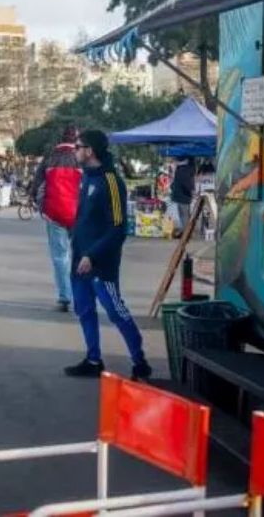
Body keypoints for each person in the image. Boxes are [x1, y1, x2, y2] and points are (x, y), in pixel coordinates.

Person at [67, 130, 152, 380]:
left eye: (78, 147)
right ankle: (93, 359)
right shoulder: (86, 179)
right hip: (78, 259)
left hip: (100, 264)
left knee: (115, 311)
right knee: (84, 310)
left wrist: (92, 255)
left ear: (90, 151)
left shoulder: (111, 181)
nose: (75, 151)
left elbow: (118, 228)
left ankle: (140, 361)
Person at [32, 127, 82, 313]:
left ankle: (64, 297)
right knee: (80, 255)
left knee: (60, 256)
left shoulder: (50, 157)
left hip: (54, 213)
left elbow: (37, 184)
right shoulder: (81, 157)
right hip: (79, 214)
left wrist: (41, 208)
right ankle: (81, 296)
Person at [171, 157, 196, 238]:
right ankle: (186, 232)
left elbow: (182, 183)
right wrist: (191, 191)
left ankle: (186, 233)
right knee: (185, 214)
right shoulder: (187, 170)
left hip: (181, 195)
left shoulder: (181, 170)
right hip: (185, 195)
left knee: (183, 215)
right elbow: (188, 184)